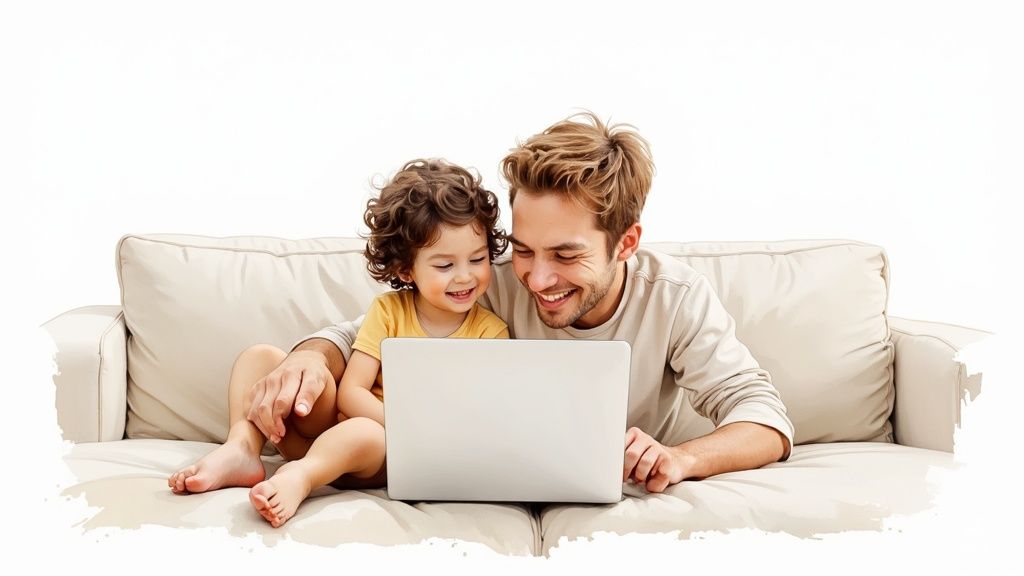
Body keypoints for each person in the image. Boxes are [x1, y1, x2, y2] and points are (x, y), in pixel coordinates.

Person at [231, 111, 795, 496]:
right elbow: (357, 335)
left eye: (566, 254)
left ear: (626, 243)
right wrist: (308, 358)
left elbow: (765, 420)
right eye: (523, 249)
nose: (538, 277)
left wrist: (683, 459)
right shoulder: (485, 278)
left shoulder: (675, 299)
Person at [168, 159, 509, 527]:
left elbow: (479, 416)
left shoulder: (490, 332)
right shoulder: (389, 311)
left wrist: (402, 430)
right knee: (261, 358)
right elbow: (352, 391)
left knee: (363, 432)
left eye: (477, 259)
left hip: (379, 453)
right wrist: (385, 417)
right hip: (323, 431)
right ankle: (241, 448)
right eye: (444, 266)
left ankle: (301, 477)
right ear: (405, 270)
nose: (465, 276)